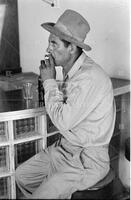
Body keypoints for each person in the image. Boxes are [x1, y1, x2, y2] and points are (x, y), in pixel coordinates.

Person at [15, 9, 116, 199]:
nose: (48, 50)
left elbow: (63, 121)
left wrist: (49, 81)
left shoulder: (90, 77)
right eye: (49, 43)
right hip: (64, 150)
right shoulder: (75, 73)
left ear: (72, 48)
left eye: (54, 43)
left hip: (86, 161)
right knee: (22, 176)